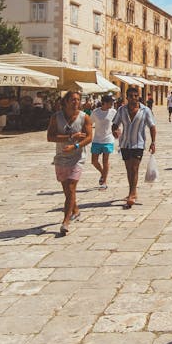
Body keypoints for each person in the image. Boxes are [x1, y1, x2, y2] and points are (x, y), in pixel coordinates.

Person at [47, 90, 93, 237]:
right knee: (67, 190)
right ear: (66, 101)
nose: (76, 102)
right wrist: (71, 137)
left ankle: (65, 222)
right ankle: (76, 210)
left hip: (77, 157)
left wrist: (75, 146)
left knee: (71, 188)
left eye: (78, 100)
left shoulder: (84, 117)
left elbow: (89, 137)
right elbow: (50, 137)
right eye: (73, 100)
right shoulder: (56, 117)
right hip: (61, 157)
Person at [112, 87, 156, 207]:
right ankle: (133, 191)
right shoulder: (121, 110)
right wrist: (115, 131)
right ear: (127, 97)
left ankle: (131, 194)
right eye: (131, 96)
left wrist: (153, 142)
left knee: (135, 168)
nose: (133, 98)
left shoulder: (145, 110)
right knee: (128, 168)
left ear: (139, 96)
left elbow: (152, 126)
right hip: (125, 143)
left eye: (136, 96)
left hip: (138, 143)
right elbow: (115, 123)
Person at [90, 94, 117, 189]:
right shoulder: (95, 112)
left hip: (108, 139)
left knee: (105, 161)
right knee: (94, 161)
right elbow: (89, 123)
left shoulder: (113, 112)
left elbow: (117, 124)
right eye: (110, 102)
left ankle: (104, 182)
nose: (112, 104)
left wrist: (117, 132)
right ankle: (102, 173)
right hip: (97, 139)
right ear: (104, 103)